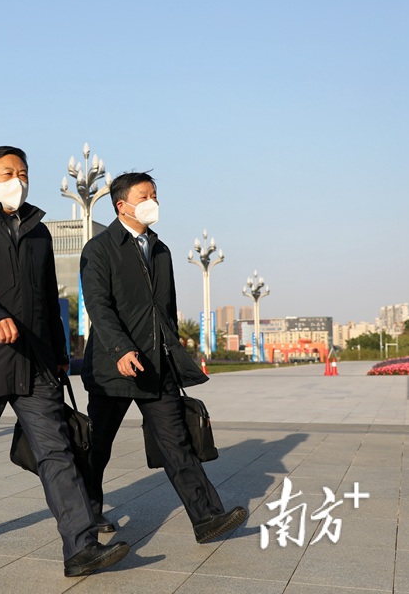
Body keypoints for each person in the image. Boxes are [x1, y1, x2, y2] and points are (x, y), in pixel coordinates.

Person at [0, 146, 129, 578]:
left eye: (22, 172)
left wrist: (59, 355)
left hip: (36, 363)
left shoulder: (39, 232)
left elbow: (47, 297)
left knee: (57, 452)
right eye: (7, 173)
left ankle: (81, 548)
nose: (17, 180)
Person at [80, 171, 247, 544]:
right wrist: (121, 349)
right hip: (113, 367)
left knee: (177, 443)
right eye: (144, 196)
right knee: (98, 446)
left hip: (157, 367)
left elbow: (164, 310)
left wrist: (172, 347)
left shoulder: (160, 250)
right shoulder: (100, 248)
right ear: (121, 205)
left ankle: (207, 518)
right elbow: (99, 306)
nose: (152, 202)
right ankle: (87, 514)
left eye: (154, 195)